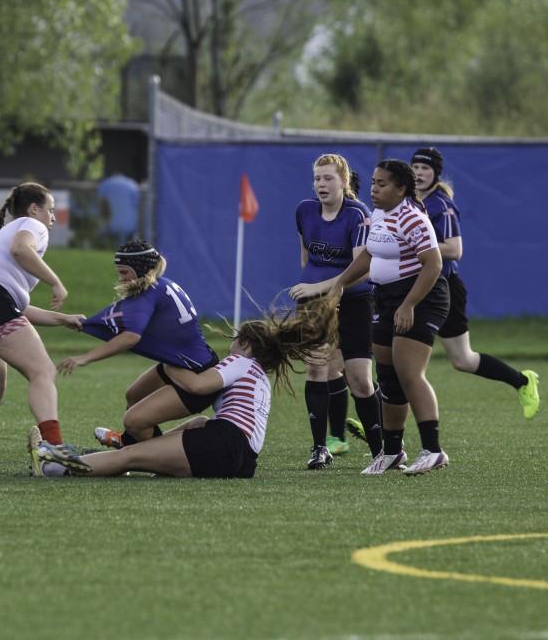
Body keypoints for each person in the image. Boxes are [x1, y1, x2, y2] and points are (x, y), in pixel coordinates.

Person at [38, 298, 339, 477]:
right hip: (243, 460)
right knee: (200, 422)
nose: (230, 345)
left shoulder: (240, 361)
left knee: (129, 458)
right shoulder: (259, 374)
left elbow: (197, 385)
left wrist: (169, 356)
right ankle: (129, 449)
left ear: (245, 345)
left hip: (224, 444)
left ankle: (57, 467)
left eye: (235, 340)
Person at [0, 182, 82, 477]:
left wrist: (62, 318)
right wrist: (55, 281)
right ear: (34, 209)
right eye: (50, 209)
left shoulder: (4, 241)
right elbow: (20, 249)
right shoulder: (31, 225)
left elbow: (14, 308)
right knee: (43, 371)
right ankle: (53, 446)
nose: (53, 217)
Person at [329, 159, 451, 475]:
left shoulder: (412, 218)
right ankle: (393, 452)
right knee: (388, 378)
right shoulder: (380, 214)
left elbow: (433, 265)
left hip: (421, 297)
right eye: (373, 182)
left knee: (409, 373)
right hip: (386, 298)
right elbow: (369, 254)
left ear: (401, 189)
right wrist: (340, 282)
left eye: (382, 184)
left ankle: (433, 450)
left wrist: (409, 305)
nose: (374, 189)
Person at [410, 147, 540, 419]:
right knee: (395, 356)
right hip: (412, 287)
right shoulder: (408, 202)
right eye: (415, 167)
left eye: (425, 168)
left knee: (463, 360)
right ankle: (379, 429)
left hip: (443, 288)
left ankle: (522, 381)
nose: (419, 173)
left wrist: (415, 247)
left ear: (436, 173)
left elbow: (455, 249)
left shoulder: (441, 205)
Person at [56, 240, 219, 450]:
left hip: (196, 375)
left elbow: (131, 337)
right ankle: (133, 445)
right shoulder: (161, 285)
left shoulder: (149, 294)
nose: (120, 278)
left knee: (133, 420)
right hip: (184, 364)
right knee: (134, 396)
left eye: (124, 272)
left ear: (140, 270)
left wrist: (84, 358)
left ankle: (148, 456)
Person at [289, 155, 382, 471]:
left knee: (360, 380)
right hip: (314, 305)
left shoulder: (358, 214)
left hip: (355, 303)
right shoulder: (304, 211)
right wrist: (313, 292)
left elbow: (362, 269)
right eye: (317, 178)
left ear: (344, 182)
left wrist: (322, 288)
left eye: (328, 178)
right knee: (317, 369)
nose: (321, 185)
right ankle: (320, 448)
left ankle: (381, 450)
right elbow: (307, 258)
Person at [97, 173, 140, 245]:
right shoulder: (132, 185)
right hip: (129, 225)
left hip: (112, 225)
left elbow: (101, 204)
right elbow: (137, 203)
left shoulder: (105, 184)